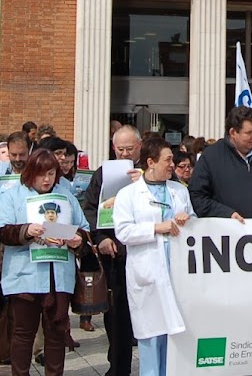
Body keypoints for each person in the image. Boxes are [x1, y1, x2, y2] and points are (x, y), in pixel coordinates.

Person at [0, 149, 88, 376]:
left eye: (51, 174)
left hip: (58, 275)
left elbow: (84, 229)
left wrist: (77, 240)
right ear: (30, 173)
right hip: (25, 275)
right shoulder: (13, 195)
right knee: (23, 333)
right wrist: (26, 230)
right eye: (41, 174)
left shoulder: (66, 196)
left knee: (56, 332)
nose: (46, 180)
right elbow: (2, 231)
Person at [113, 136, 195, 376]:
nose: (172, 164)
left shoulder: (179, 191)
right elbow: (123, 232)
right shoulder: (128, 194)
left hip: (176, 270)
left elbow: (194, 222)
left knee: (175, 337)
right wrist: (157, 228)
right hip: (147, 272)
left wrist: (187, 219)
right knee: (150, 335)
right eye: (167, 160)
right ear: (151, 162)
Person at [82, 125, 144, 376]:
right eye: (120, 149)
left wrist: (145, 183)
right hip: (115, 254)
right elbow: (89, 209)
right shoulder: (103, 173)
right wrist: (100, 238)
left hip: (144, 252)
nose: (124, 154)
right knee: (117, 316)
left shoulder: (150, 170)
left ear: (139, 146)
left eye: (129, 149)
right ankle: (118, 369)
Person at [189, 107, 252, 223]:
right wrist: (226, 214)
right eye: (249, 133)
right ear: (233, 132)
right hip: (226, 230)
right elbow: (197, 196)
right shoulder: (211, 157)